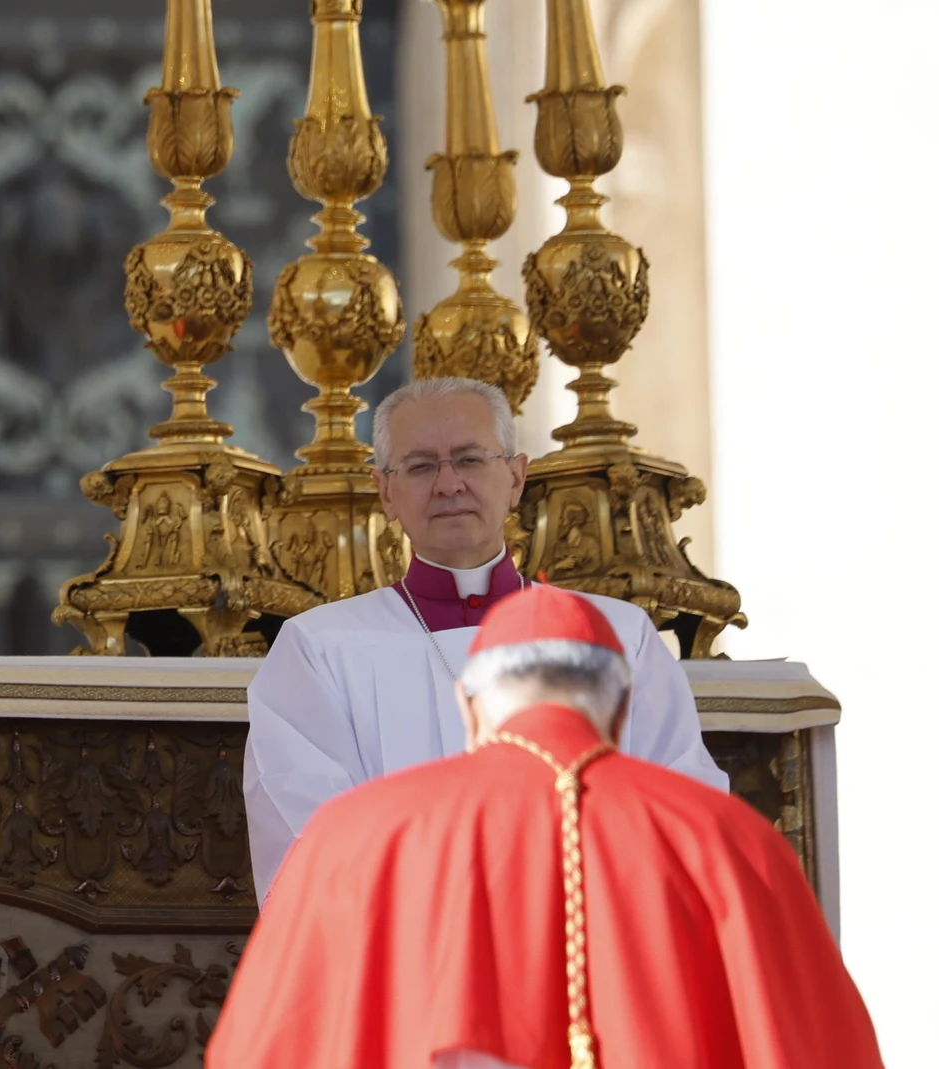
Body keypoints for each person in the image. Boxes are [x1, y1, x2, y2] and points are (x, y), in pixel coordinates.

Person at [209, 585, 881, 1069]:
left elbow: (271, 1043)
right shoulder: (727, 840)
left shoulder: (352, 838)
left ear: (471, 707)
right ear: (620, 709)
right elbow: (816, 1042)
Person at [242, 376, 725, 899]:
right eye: (421, 465)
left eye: (470, 460)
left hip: (582, 951)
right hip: (410, 960)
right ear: (386, 490)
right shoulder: (318, 650)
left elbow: (679, 803)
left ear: (516, 478)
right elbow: (310, 835)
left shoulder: (617, 636)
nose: (448, 484)